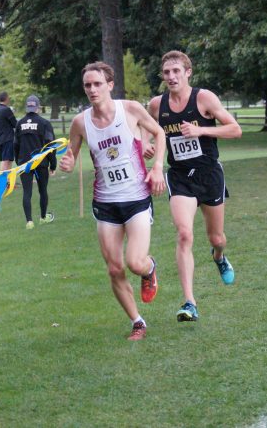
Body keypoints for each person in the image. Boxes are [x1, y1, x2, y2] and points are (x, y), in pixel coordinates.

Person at [59, 61, 166, 341]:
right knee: (114, 268)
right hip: (105, 203)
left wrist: (157, 167)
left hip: (136, 199)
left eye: (97, 84)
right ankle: (138, 322)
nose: (92, 89)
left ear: (109, 85)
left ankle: (150, 268)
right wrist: (68, 163)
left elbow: (159, 132)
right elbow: (71, 155)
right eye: (87, 85)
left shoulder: (129, 109)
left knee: (134, 262)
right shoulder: (80, 123)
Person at [146, 50, 242, 323]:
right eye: (167, 73)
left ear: (188, 72)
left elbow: (235, 129)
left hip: (209, 174)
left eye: (176, 71)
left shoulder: (204, 98)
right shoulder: (156, 105)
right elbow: (146, 130)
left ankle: (219, 257)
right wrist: (146, 145)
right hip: (179, 177)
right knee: (184, 234)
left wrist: (201, 130)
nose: (171, 77)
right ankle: (190, 302)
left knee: (217, 238)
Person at [14, 95, 57, 229]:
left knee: (27, 192)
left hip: (24, 163)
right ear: (38, 107)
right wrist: (53, 164)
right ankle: (43, 217)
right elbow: (50, 145)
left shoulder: (20, 123)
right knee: (42, 190)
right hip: (41, 163)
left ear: (27, 107)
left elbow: (15, 144)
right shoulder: (45, 124)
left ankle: (29, 222)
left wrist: (18, 161)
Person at [0, 92, 17, 171]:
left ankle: (7, 180)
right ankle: (3, 180)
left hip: (1, 138)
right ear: (6, 98)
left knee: (8, 159)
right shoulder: (6, 110)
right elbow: (15, 124)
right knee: (6, 160)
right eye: (8, 97)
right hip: (8, 138)